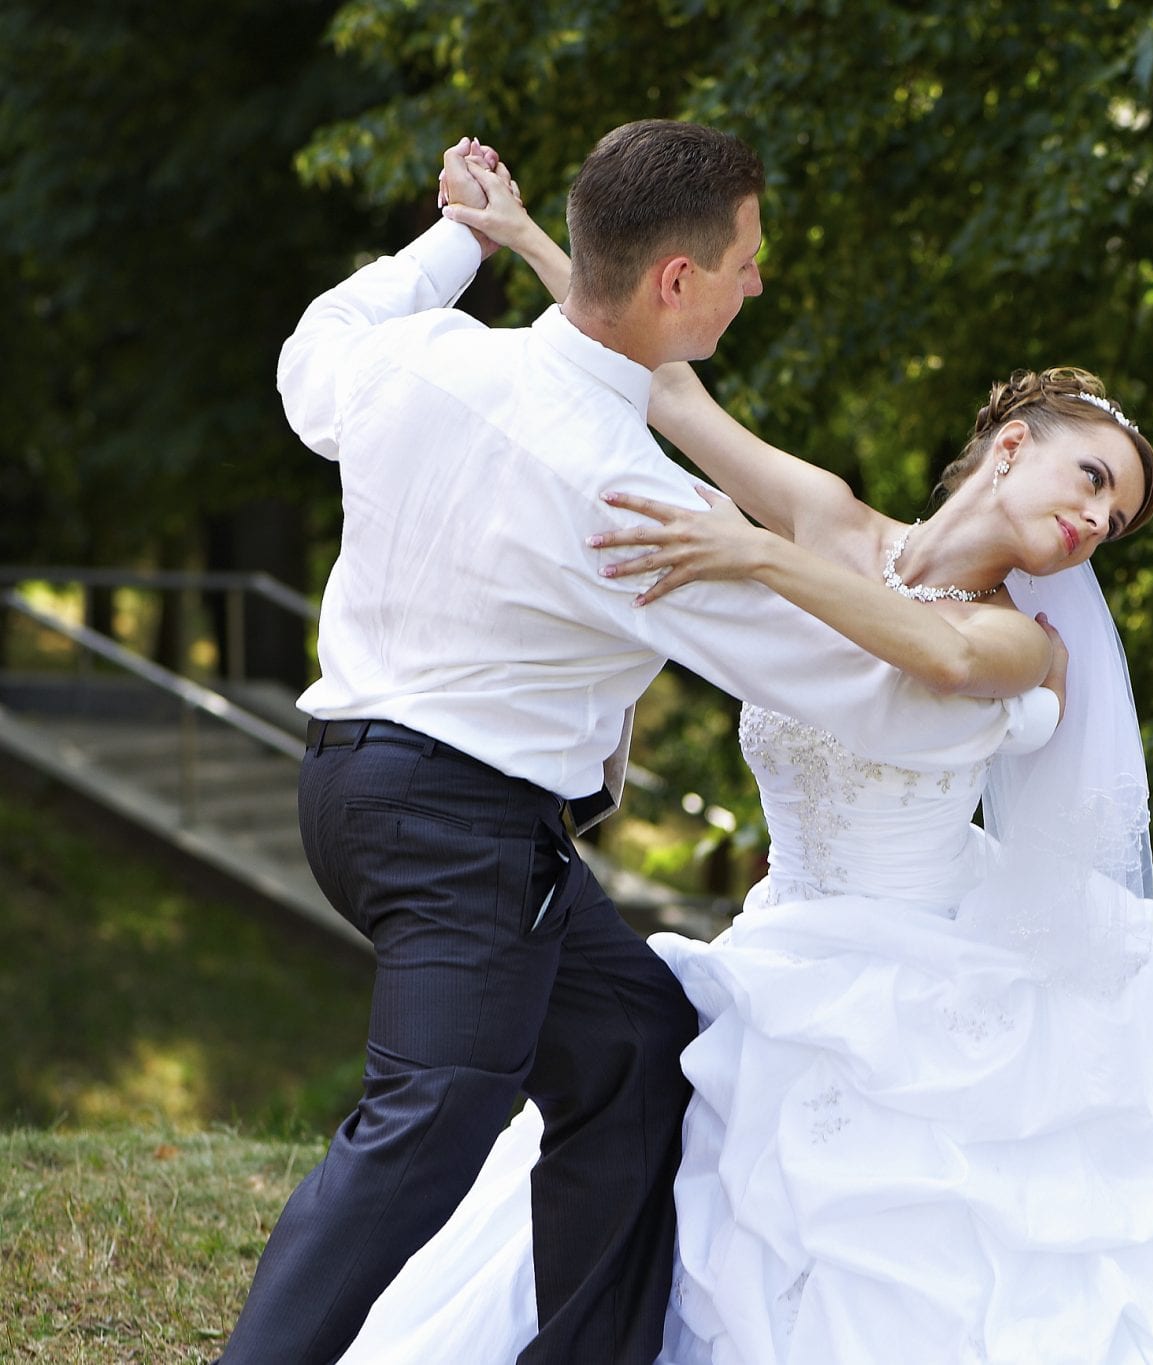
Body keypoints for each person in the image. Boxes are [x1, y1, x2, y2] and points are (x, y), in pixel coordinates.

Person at [334, 154, 1153, 1363]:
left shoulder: (1018, 641)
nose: (1093, 522)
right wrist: (535, 238)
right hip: (789, 943)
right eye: (1091, 479)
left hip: (933, 965)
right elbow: (662, 384)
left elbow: (928, 652)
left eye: (1112, 522)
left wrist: (755, 557)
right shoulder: (833, 518)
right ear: (1011, 445)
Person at [223, 124, 1056, 1365]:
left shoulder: (427, 358)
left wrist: (457, 240)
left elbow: (312, 354)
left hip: (358, 790)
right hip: (455, 831)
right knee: (431, 1121)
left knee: (632, 1052)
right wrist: (1017, 681)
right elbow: (856, 695)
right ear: (676, 281)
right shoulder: (636, 501)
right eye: (746, 262)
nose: (757, 282)